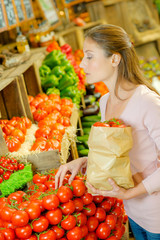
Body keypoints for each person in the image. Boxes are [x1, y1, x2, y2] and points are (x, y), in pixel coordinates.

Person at [55, 24, 160, 239]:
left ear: (114, 59)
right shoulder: (105, 102)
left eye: (90, 57)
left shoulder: (147, 102)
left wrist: (129, 193)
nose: (83, 64)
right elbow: (116, 155)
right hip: (133, 214)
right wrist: (84, 161)